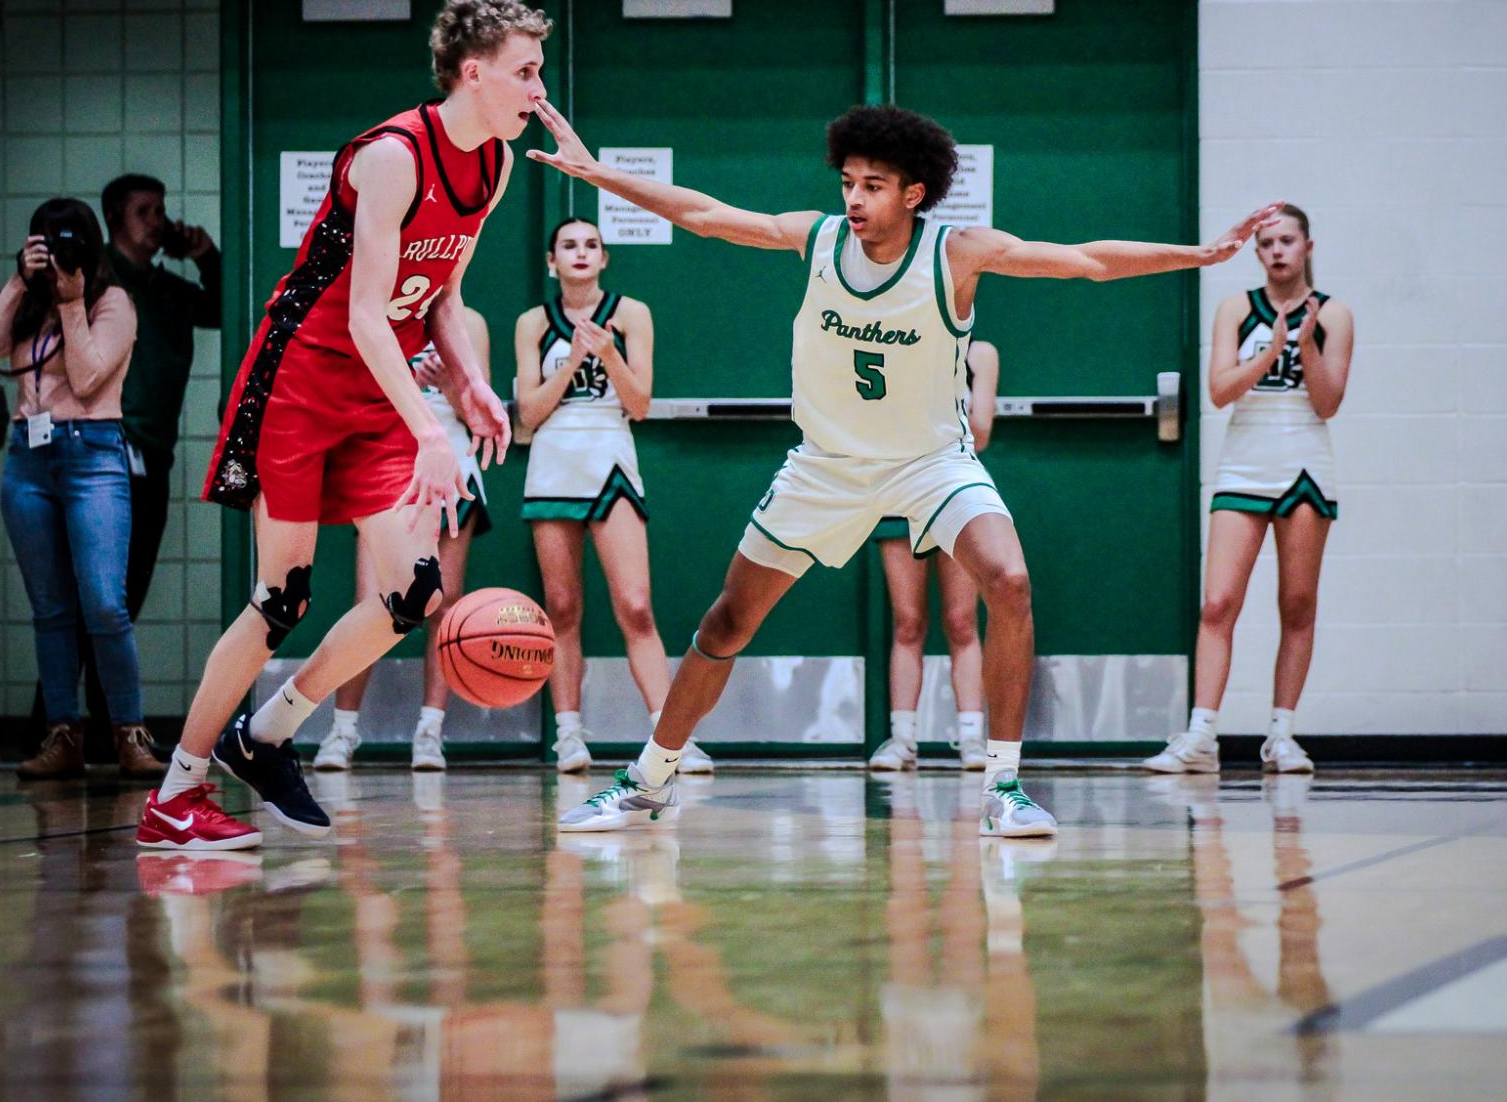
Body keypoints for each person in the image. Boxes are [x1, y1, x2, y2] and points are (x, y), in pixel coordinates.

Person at [531, 99, 1278, 838]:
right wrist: (596, 173)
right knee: (726, 622)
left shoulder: (953, 254)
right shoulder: (817, 240)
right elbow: (702, 213)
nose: (854, 199)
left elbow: (1084, 262)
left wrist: (1198, 255)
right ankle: (647, 781)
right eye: (848, 182)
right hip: (823, 468)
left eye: (873, 185)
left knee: (1009, 581)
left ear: (913, 192)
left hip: (931, 464)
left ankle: (1004, 786)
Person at [135, 0, 537, 850]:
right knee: (282, 597)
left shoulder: (495, 163)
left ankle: (268, 731)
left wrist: (471, 384)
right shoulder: (393, 155)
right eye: (526, 72)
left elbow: (442, 296)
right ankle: (177, 792)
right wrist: (430, 424)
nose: (539, 89)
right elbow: (360, 315)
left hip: (378, 386)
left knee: (415, 593)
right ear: (475, 73)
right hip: (303, 377)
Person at [1143, 205, 1353, 775]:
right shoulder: (1236, 309)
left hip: (1306, 460)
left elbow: (1328, 402)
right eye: (1267, 243)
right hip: (1244, 463)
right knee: (1217, 603)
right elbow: (1218, 392)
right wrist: (1271, 349)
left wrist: (1306, 345)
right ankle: (1202, 735)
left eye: (1287, 240)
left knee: (1298, 603)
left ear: (1308, 245)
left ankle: (1282, 735)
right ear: (1256, 252)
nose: (1277, 251)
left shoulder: (1335, 313)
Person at [0, 198, 165, 779]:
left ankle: (129, 733)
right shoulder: (29, 303)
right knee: (50, 610)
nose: (56, 257)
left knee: (105, 603)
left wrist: (73, 300)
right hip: (28, 461)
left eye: (65, 245)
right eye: (45, 245)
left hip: (93, 457)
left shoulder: (113, 303)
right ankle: (63, 734)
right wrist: (17, 280)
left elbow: (85, 377)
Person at [513, 218, 711, 775]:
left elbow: (640, 403)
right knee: (563, 607)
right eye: (568, 245)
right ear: (552, 262)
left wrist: (608, 354)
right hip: (553, 463)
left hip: (611, 459)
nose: (580, 252)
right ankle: (569, 736)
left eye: (591, 245)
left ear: (604, 258)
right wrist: (574, 359)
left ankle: (670, 740)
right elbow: (528, 412)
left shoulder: (631, 314)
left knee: (636, 606)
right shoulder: (533, 323)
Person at [314, 310, 497, 773]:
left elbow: (483, 415)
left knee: (445, 602)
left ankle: (429, 731)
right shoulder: (378, 310)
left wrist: (452, 388)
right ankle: (342, 729)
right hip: (388, 461)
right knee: (372, 602)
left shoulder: (470, 323)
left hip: (452, 461)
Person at [866, 338, 998, 772]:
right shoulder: (892, 338)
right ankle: (903, 740)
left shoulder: (980, 354)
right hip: (898, 492)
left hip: (955, 487)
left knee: (962, 621)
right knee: (907, 622)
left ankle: (971, 738)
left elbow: (981, 433)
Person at [101, 172, 223, 622]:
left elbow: (228, 307)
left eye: (160, 211)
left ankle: (103, 695)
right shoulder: (93, 281)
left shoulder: (169, 290)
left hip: (152, 454)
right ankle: (57, 697)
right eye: (143, 212)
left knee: (125, 599)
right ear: (114, 217)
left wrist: (205, 255)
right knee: (93, 601)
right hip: (103, 451)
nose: (156, 222)